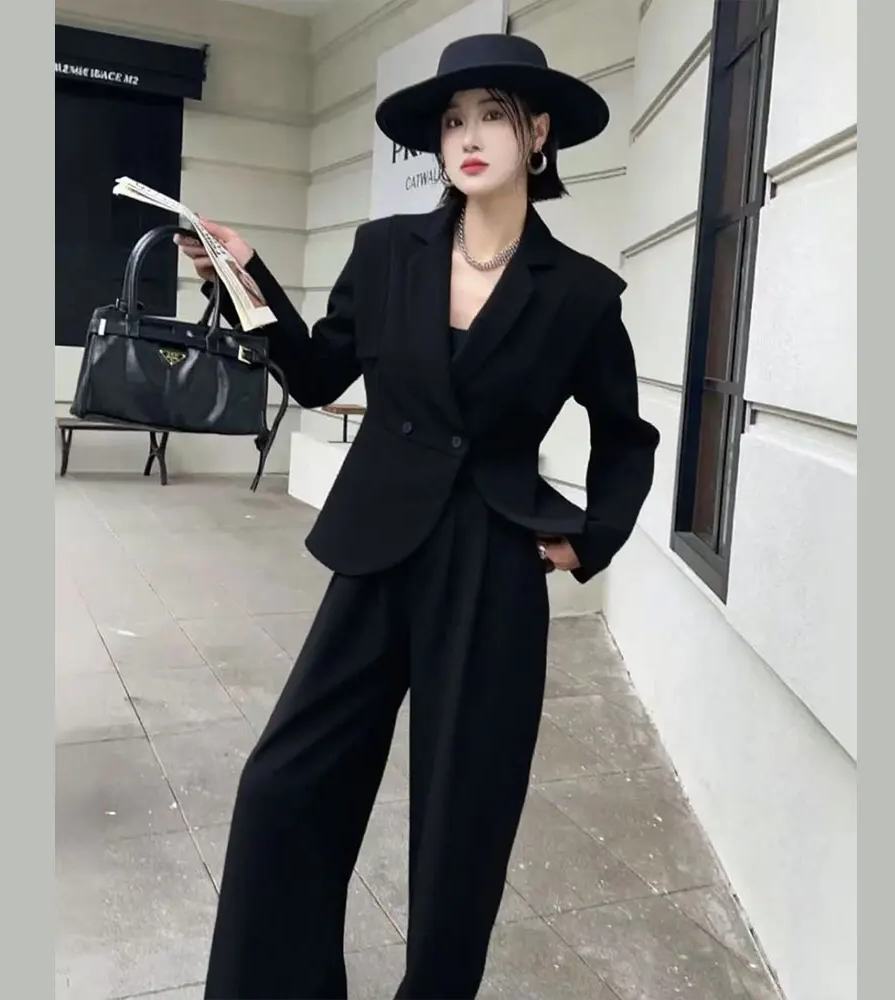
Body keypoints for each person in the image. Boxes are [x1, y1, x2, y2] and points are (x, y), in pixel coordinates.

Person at [180, 32, 660, 1000]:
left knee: (462, 818)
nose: (467, 137)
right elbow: (319, 376)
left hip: (491, 558)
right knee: (284, 785)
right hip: (378, 543)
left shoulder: (579, 292)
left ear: (538, 133)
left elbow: (626, 434)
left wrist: (590, 538)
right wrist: (245, 278)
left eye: (491, 116)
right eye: (451, 121)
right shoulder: (387, 251)